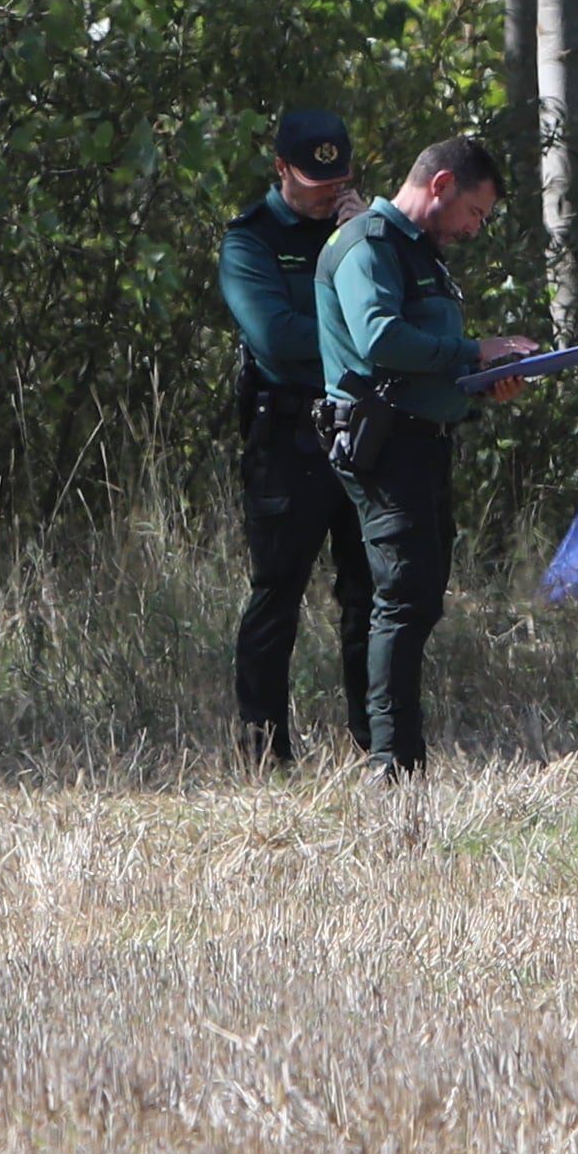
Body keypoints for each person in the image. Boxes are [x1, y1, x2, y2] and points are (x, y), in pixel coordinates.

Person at [315, 135, 535, 774]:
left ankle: (396, 751)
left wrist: (487, 377)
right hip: (386, 447)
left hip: (426, 441)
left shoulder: (421, 255)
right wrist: (475, 353)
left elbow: (427, 354)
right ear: (440, 185)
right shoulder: (369, 246)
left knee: (420, 596)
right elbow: (381, 340)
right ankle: (393, 762)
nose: (475, 228)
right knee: (403, 600)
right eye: (475, 212)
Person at [217, 105, 374, 768]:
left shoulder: (365, 228)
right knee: (277, 592)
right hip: (288, 438)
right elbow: (278, 340)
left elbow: (399, 314)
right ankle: (264, 753)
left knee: (370, 593)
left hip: (367, 431)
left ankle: (379, 745)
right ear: (281, 169)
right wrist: (358, 329)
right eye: (314, 179)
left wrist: (366, 240)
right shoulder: (250, 240)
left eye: (339, 178)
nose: (329, 190)